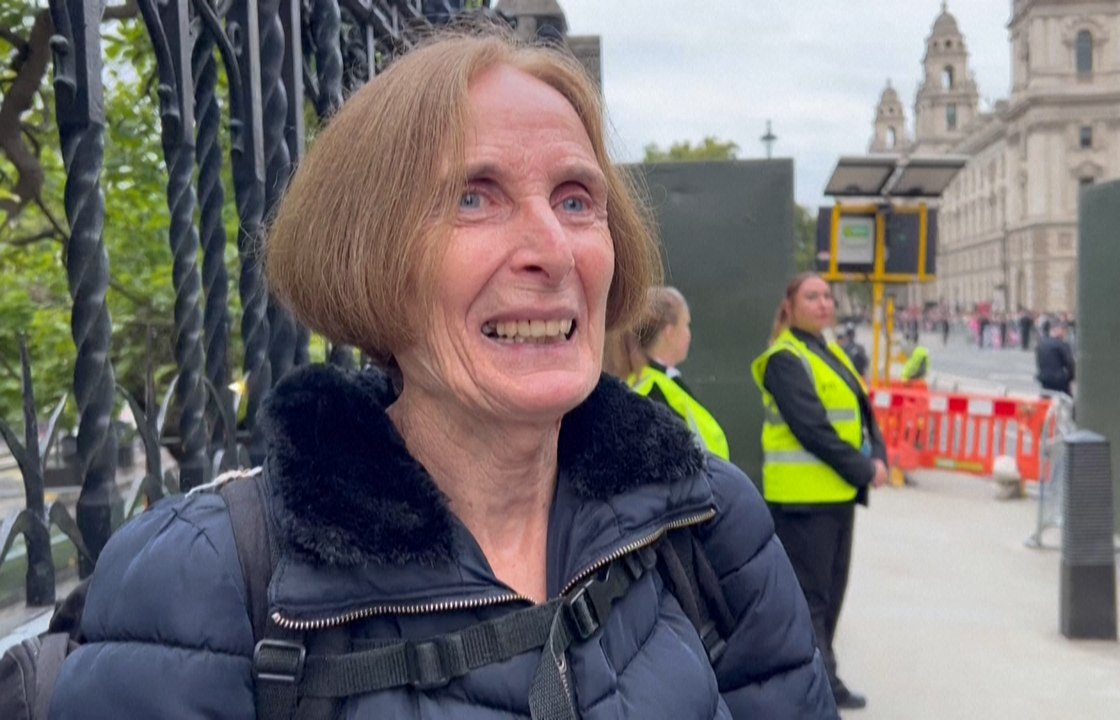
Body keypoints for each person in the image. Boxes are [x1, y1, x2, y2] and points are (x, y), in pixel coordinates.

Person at [51, 28, 836, 719]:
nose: (553, 251)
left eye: (575, 201)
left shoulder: (705, 521)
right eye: (473, 197)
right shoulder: (205, 581)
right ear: (369, 256)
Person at [751, 272, 889, 712]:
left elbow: (862, 411)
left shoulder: (828, 352)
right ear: (790, 307)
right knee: (810, 600)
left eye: (828, 296)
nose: (824, 303)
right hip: (803, 501)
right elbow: (812, 429)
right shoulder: (784, 358)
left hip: (835, 496)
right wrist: (864, 468)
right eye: (812, 296)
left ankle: (825, 678)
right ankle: (819, 688)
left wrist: (879, 454)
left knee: (829, 597)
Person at [604, 286, 730, 460]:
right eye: (686, 325)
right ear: (669, 331)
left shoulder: (649, 382)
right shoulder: (654, 391)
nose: (689, 335)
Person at [1036, 320, 1076, 398]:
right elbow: (1070, 363)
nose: (1065, 333)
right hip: (1059, 380)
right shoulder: (1062, 345)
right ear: (1059, 330)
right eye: (1064, 330)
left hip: (1044, 378)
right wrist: (1071, 377)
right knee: (1067, 399)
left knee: (1046, 398)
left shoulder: (1041, 343)